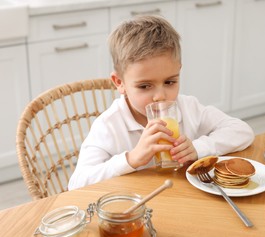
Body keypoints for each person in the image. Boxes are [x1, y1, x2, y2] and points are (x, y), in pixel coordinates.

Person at [68, 15, 254, 190]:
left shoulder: (188, 107)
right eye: (145, 86)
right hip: (135, 207)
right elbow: (76, 184)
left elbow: (242, 131)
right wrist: (131, 159)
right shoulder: (109, 125)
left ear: (179, 71)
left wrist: (197, 148)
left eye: (170, 82)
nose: (160, 96)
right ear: (120, 83)